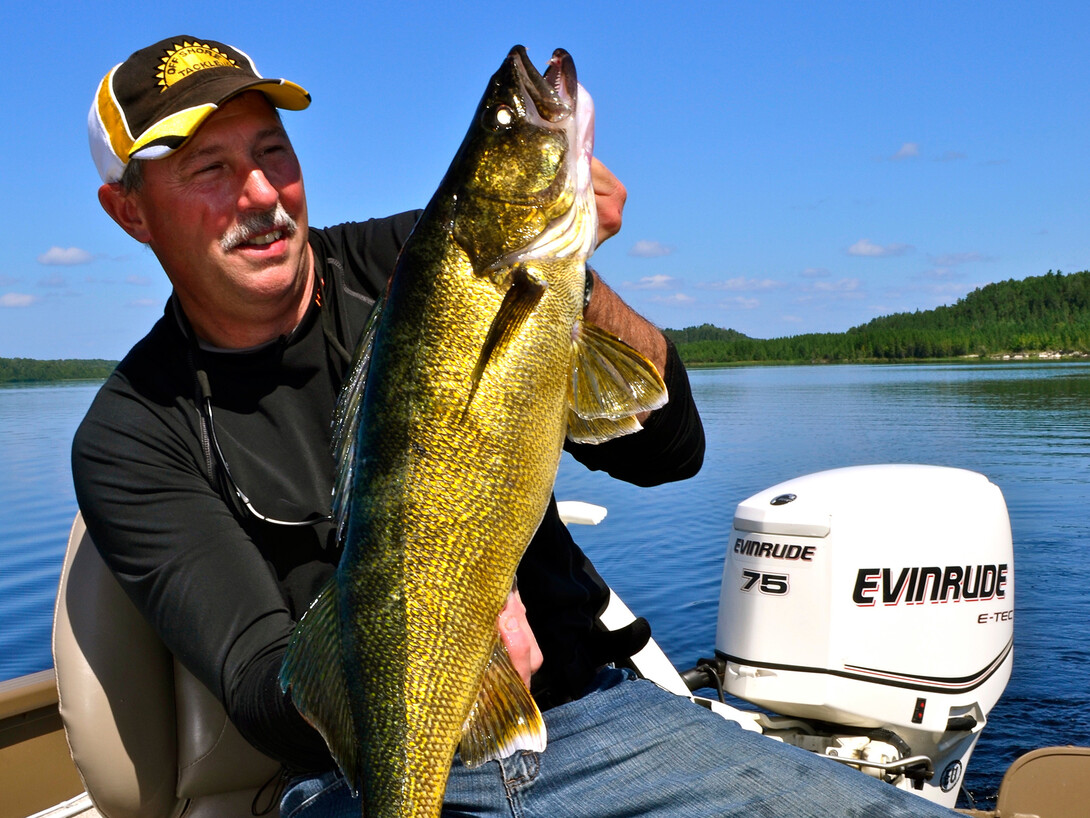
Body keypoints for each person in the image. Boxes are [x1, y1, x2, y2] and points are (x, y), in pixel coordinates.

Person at [75, 36, 959, 817]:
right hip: (357, 780)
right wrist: (434, 641)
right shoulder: (132, 433)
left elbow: (671, 455)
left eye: (274, 152)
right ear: (132, 212)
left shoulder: (418, 260)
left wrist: (566, 276)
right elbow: (258, 677)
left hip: (597, 721)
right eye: (210, 171)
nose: (262, 193)